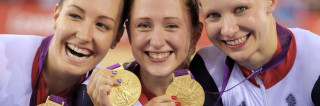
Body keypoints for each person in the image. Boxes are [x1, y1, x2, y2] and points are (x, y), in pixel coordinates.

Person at [189, 0, 320, 105]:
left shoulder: (315, 57)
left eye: (240, 9)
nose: (228, 30)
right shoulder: (205, 67)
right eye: (213, 15)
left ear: (271, 2)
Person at [0, 0, 128, 105]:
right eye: (75, 16)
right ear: (56, 16)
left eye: (102, 25)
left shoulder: (109, 99)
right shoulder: (3, 55)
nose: (84, 36)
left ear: (117, 37)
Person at [86, 0, 203, 105]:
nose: (157, 42)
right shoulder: (100, 93)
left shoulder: (216, 92)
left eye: (171, 26)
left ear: (194, 35)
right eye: (144, 25)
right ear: (129, 33)